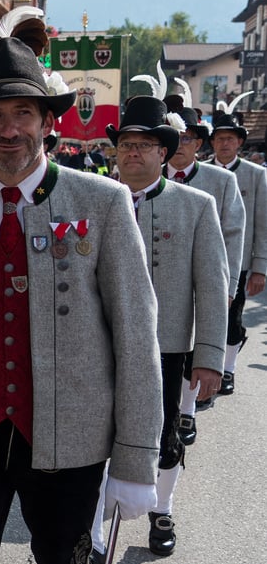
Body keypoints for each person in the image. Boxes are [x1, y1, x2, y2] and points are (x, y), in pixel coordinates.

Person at [0, 25, 163, 564]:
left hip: (70, 440)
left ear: (48, 123)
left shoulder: (103, 203)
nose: (10, 129)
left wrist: (136, 457)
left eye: (23, 113)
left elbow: (137, 338)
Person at [90, 96, 226, 559]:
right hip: (95, 344)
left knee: (163, 436)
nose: (133, 152)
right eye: (126, 143)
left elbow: (212, 285)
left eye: (146, 145)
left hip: (166, 348)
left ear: (164, 153)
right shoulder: (88, 197)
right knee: (92, 436)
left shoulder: (197, 206)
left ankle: (161, 509)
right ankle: (89, 530)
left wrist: (209, 356)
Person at [163, 104, 244, 425]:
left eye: (187, 139)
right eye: (174, 138)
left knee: (195, 349)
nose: (179, 145)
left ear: (198, 144)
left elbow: (233, 237)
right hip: (164, 282)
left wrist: (228, 287)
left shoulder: (220, 181)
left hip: (206, 280)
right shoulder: (144, 179)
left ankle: (186, 411)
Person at [206, 106, 267, 398]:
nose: (225, 144)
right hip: (204, 260)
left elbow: (262, 224)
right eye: (220, 138)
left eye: (231, 138)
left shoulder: (255, 175)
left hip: (238, 262)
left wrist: (260, 267)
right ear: (212, 142)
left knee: (233, 318)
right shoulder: (202, 171)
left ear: (240, 142)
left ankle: (228, 369)